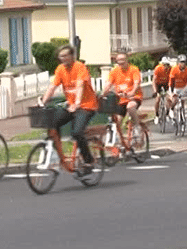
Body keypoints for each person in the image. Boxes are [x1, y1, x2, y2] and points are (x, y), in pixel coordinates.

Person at [39, 45, 99, 177]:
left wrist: (77, 102)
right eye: (61, 56)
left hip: (86, 106)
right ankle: (59, 157)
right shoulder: (60, 69)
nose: (64, 58)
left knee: (77, 132)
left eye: (66, 55)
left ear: (72, 56)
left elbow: (80, 85)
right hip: (71, 106)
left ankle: (89, 161)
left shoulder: (79, 67)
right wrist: (42, 102)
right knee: (53, 123)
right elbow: (52, 86)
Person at [102, 52, 143, 135]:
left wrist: (132, 92)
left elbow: (136, 83)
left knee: (130, 107)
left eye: (122, 60)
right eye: (118, 60)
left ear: (126, 60)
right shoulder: (114, 71)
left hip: (134, 97)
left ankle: (137, 126)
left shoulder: (133, 69)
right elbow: (108, 83)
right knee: (117, 120)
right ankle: (119, 140)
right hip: (121, 100)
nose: (120, 62)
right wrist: (104, 92)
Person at [152, 56, 171, 124]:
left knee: (169, 99)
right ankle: (157, 115)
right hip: (158, 84)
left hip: (166, 83)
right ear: (162, 64)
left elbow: (172, 79)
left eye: (168, 65)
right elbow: (154, 81)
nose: (166, 67)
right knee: (158, 99)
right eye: (165, 65)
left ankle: (167, 113)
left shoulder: (170, 69)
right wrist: (155, 90)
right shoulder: (158, 68)